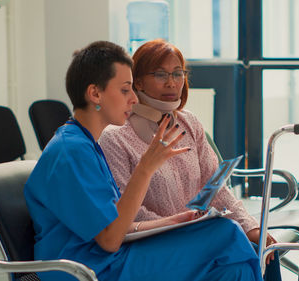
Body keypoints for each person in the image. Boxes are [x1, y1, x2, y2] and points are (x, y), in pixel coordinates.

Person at [24, 40, 263, 281]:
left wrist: (176, 220)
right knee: (226, 233)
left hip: (112, 257)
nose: (133, 99)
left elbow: (120, 225)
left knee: (235, 269)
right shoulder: (72, 151)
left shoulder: (85, 144)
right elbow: (109, 239)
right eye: (125, 90)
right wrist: (146, 168)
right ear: (96, 93)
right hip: (89, 268)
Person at [99, 39, 282, 280]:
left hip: (197, 235)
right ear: (138, 81)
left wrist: (251, 226)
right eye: (161, 74)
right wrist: (183, 225)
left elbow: (215, 188)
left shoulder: (189, 123)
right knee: (228, 233)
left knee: (252, 256)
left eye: (177, 73)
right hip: (152, 242)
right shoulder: (115, 137)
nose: (172, 82)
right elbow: (127, 212)